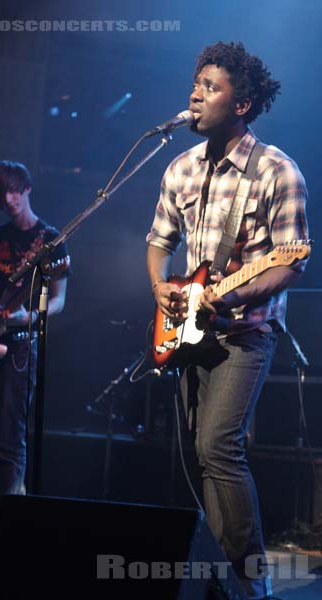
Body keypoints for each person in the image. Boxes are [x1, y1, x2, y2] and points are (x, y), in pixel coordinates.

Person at [146, 42, 309, 599]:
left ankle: (249, 586)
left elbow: (291, 264)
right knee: (200, 453)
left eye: (211, 87)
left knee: (219, 446)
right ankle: (218, 580)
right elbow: (158, 241)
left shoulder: (277, 171)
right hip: (190, 330)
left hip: (245, 335)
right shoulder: (179, 167)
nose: (195, 94)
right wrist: (160, 288)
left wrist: (235, 300)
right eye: (196, 83)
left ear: (241, 104)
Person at [0, 160, 70, 534]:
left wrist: (29, 317)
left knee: (10, 434)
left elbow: (58, 301)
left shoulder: (52, 242)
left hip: (21, 348)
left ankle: (3, 519)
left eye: (12, 191)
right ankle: (1, 502)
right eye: (0, 194)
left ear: (26, 188)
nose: (8, 199)